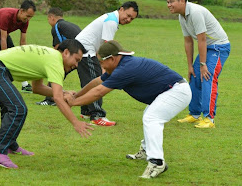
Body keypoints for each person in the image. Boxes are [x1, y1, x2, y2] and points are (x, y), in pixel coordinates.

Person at [65, 40, 192, 178]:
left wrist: (73, 102)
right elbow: (97, 82)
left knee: (151, 117)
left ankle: (156, 162)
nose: (100, 65)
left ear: (112, 58)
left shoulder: (124, 69)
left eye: (101, 62)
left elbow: (99, 92)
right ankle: (146, 150)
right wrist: (77, 95)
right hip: (172, 89)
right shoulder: (120, 65)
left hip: (178, 91)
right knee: (149, 115)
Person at [0, 40, 93, 169]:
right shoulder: (55, 61)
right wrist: (75, 122)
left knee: (10, 109)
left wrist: (63, 93)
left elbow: (38, 88)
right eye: (76, 60)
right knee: (18, 109)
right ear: (66, 53)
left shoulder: (49, 56)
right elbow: (57, 98)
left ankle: (10, 145)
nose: (76, 65)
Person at [167, 0, 231, 128]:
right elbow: (188, 42)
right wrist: (190, 66)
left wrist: (203, 65)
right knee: (195, 76)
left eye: (171, 1)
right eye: (168, 2)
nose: (169, 5)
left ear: (182, 1)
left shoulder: (195, 12)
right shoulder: (182, 16)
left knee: (207, 76)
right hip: (207, 47)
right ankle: (195, 115)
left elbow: (201, 40)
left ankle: (209, 119)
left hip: (219, 47)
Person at [75, 1, 139, 126]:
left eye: (132, 18)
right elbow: (108, 47)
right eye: (128, 15)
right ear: (121, 9)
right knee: (95, 81)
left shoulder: (110, 18)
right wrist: (105, 68)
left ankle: (86, 111)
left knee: (89, 80)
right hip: (86, 51)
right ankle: (97, 115)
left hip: (83, 49)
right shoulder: (111, 21)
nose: (128, 19)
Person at [0, 0, 36, 96]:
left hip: (3, 33)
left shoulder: (25, 21)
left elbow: (23, 41)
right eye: (28, 16)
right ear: (21, 11)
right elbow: (3, 38)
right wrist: (5, 56)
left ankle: (25, 85)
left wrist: (23, 54)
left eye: (31, 17)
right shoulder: (6, 15)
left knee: (15, 56)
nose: (28, 19)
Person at [36, 7, 81, 106]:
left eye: (48, 19)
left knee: (55, 73)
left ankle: (50, 100)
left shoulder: (57, 26)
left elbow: (58, 46)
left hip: (74, 55)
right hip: (82, 54)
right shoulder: (70, 25)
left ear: (51, 17)